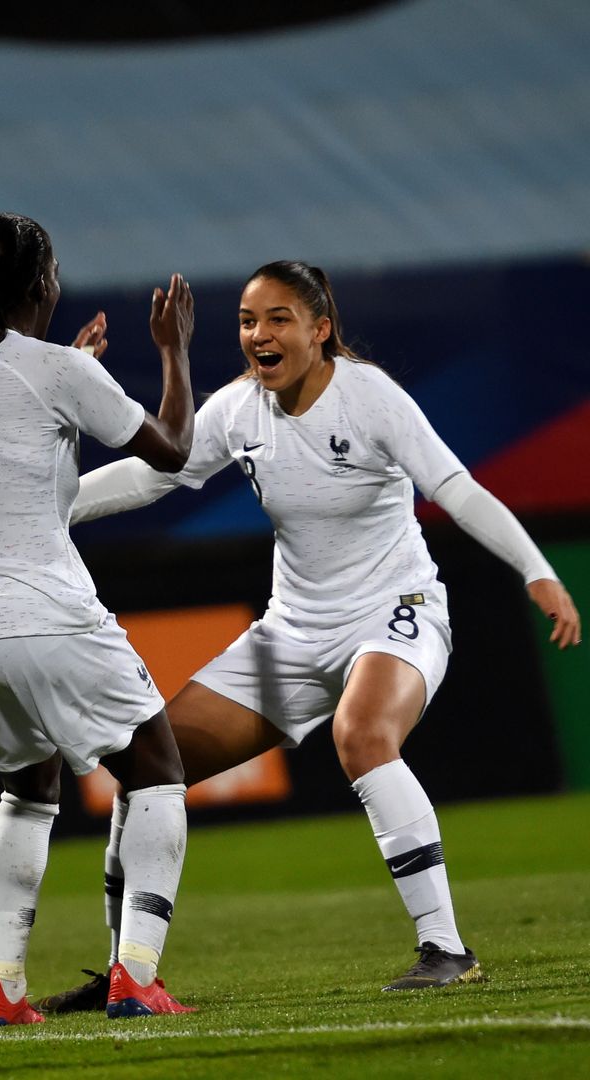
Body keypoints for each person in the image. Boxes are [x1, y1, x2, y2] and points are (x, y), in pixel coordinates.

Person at [32, 260, 581, 1011]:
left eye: (279, 319)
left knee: (362, 735)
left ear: (321, 330)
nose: (259, 334)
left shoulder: (370, 397)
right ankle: (126, 970)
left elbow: (453, 486)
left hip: (397, 609)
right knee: (146, 764)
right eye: (248, 322)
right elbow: (154, 476)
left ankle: (446, 948)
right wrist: (43, 514)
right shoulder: (236, 410)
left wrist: (536, 570)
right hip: (293, 633)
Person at [0, 211, 199, 1026]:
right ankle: (136, 976)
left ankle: (4, 987)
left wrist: (70, 371)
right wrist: (173, 348)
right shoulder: (57, 372)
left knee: (28, 787)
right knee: (157, 769)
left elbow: (18, 449)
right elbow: (172, 446)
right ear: (41, 286)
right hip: (43, 614)